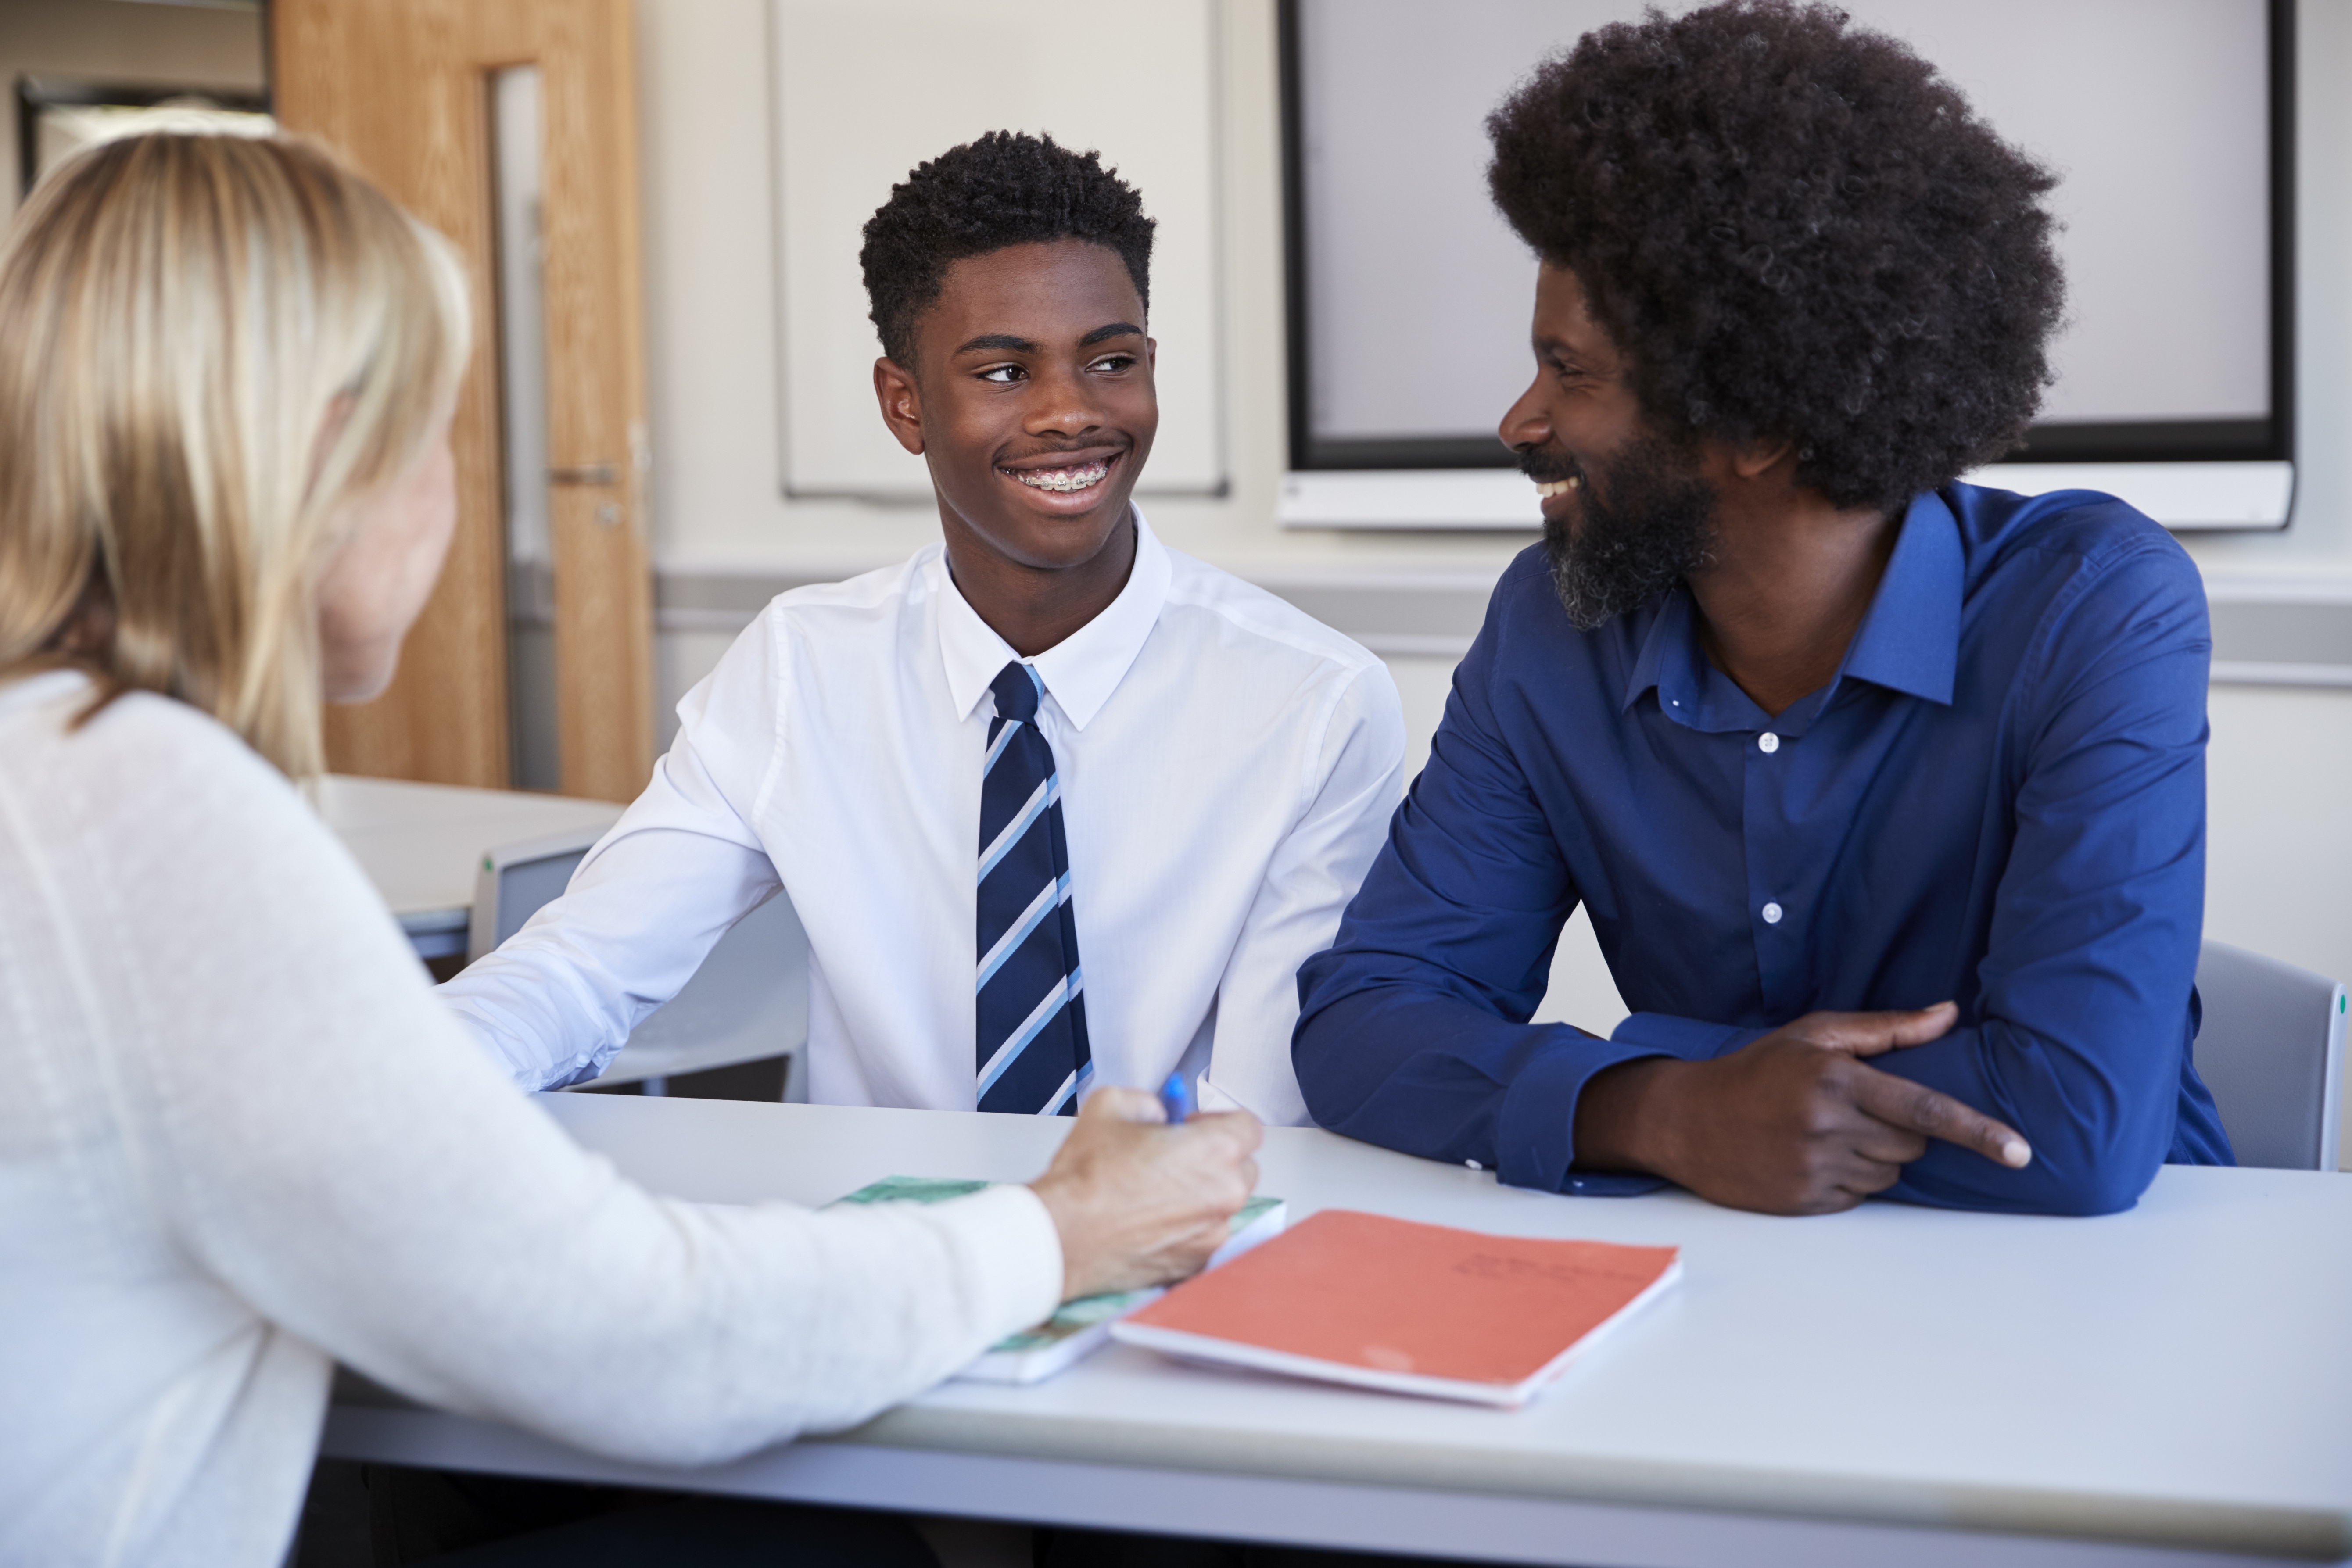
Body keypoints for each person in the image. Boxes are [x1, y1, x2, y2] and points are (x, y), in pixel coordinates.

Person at [0, 131, 1263, 1568]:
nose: (449, 497)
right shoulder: (156, 821)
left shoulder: (62, 772)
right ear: (321, 457)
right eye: (441, 435)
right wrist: (1056, 1231)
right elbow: (628, 1329)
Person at [1293, 0, 2233, 1218]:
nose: (1521, 422)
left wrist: (1669, 1079)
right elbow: (1366, 1020)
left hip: (2102, 1296)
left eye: (1571, 372)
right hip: (1715, 1289)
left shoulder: (2095, 608)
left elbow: (2071, 1123)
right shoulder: (1553, 626)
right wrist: (1668, 1111)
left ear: (1759, 421)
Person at [437, 131, 1403, 1123]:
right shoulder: (799, 668)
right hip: (889, 1245)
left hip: (1180, 1241)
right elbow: (585, 965)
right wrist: (396, 1086)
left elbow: (1258, 1113)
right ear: (905, 403)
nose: (1071, 413)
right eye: (1003, 373)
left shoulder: (1313, 702)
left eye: (1109, 361)